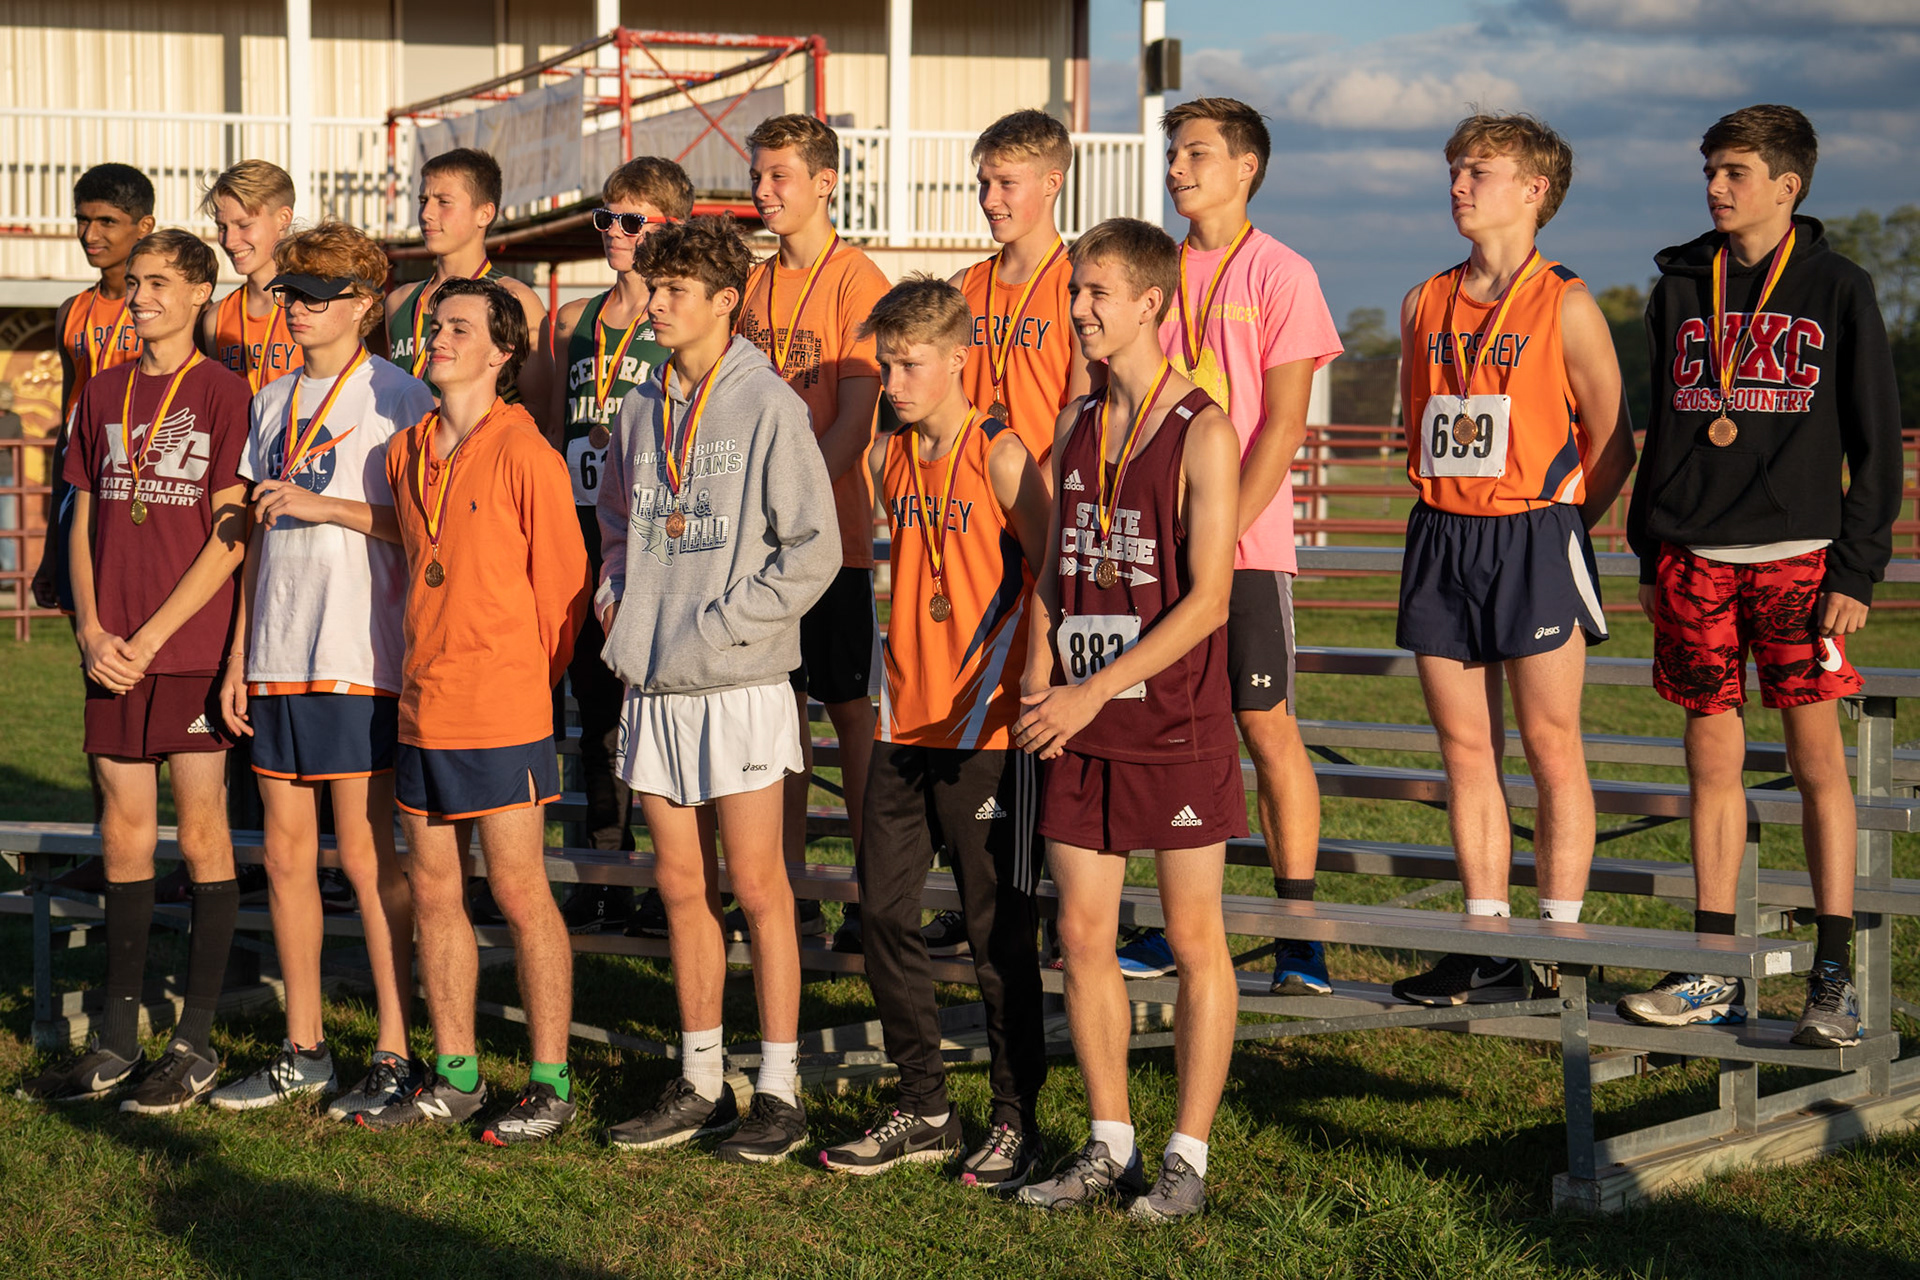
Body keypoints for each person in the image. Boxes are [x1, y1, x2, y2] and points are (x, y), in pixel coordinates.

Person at [1618, 104, 1903, 1048]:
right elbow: (1664, 428)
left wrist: (1857, 567)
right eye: (1710, 169)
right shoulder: (1679, 285)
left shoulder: (1838, 285)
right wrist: (1651, 547)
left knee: (1818, 767)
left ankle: (1831, 979)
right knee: (1710, 765)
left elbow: (1877, 443)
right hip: (1693, 559)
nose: (1715, 186)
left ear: (1788, 185)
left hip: (1801, 563)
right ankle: (1713, 968)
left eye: (1734, 171)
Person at [1012, 218, 1244, 1222]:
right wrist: (1041, 680)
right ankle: (1110, 1140)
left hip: (1174, 723)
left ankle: (1188, 1155)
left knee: (1193, 937)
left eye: (1096, 292)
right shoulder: (1072, 423)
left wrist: (1091, 688)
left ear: (1151, 302)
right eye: (1074, 291)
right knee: (1080, 934)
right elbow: (1052, 574)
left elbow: (1211, 600)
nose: (1078, 309)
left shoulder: (1204, 429)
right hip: (1079, 719)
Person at [595, 216, 838, 1163]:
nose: (653, 305)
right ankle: (701, 1080)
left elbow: (813, 549)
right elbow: (617, 521)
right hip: (656, 680)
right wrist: (618, 599)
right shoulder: (638, 406)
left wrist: (726, 625)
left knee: (761, 888)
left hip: (737, 678)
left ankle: (778, 1089)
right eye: (651, 288)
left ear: (725, 301)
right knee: (682, 886)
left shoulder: (768, 404)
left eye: (673, 292)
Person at [1389, 113, 1633, 1007]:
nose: (1458, 184)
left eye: (1478, 171)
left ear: (1534, 190)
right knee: (1465, 750)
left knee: (1550, 746)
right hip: (1442, 533)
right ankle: (1487, 946)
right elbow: (1420, 420)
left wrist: (1561, 525)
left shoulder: (1566, 303)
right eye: (1455, 169)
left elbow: (1614, 441)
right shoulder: (1423, 301)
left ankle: (1560, 945)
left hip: (1535, 536)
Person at [817, 276, 1052, 1189]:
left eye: (910, 365)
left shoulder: (1003, 454)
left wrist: (1033, 679)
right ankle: (923, 1105)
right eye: (886, 365)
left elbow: (1050, 574)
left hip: (986, 728)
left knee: (999, 937)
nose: (894, 382)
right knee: (882, 912)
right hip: (904, 723)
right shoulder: (890, 454)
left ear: (959, 359)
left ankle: (1015, 1119)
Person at [1114, 97, 1346, 994]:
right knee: (1162, 729)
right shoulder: (1151, 271)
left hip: (1244, 547)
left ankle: (1298, 933)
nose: (1177, 168)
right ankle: (1174, 923)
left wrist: (1217, 532)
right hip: (1152, 545)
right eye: (1174, 153)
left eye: (1197, 153)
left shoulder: (1283, 272)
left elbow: (1283, 425)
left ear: (1246, 166)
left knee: (1265, 726)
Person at [18, 229, 250, 1111]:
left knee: (201, 834)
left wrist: (150, 639)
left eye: (159, 282)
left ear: (199, 293)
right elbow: (79, 518)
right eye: (135, 284)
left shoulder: (227, 392)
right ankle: (116, 1043)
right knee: (122, 830)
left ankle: (194, 1043)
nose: (140, 296)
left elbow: (231, 535)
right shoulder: (102, 389)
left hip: (184, 646)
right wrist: (90, 630)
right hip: (110, 646)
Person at [208, 223, 436, 1117]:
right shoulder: (269, 400)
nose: (293, 308)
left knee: (368, 859)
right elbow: (258, 539)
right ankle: (303, 1048)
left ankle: (395, 1049)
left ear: (363, 305)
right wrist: (240, 655)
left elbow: (421, 527)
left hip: (356, 652)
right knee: (286, 857)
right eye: (288, 293)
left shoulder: (401, 395)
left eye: (313, 295)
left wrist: (326, 505)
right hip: (277, 652)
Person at [357, 276, 587, 1144]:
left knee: (521, 891)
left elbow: (563, 594)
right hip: (424, 702)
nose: (439, 338)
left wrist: (521, 680)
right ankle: (455, 1074)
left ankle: (550, 1083)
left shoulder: (528, 453)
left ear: (502, 352)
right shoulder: (406, 449)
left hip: (503, 709)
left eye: (459, 328)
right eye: (435, 325)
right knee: (434, 890)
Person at [738, 114, 889, 947]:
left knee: (849, 711)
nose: (764, 191)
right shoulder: (752, 284)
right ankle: (786, 889)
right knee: (779, 713)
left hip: (828, 538)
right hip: (759, 544)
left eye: (780, 175)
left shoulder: (856, 280)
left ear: (825, 182)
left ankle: (873, 892)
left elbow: (857, 421)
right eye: (757, 175)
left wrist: (787, 506)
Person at [546, 156, 690, 937]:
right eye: (606, 218)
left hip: (654, 542)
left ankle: (674, 880)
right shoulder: (573, 319)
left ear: (670, 228)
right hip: (580, 539)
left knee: (658, 712)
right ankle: (605, 872)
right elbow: (549, 436)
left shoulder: (679, 321)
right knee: (596, 717)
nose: (614, 232)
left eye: (632, 221)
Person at [32, 164, 153, 617]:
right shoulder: (71, 312)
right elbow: (66, 430)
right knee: (87, 629)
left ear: (144, 226)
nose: (89, 234)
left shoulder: (170, 309)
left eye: (107, 221)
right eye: (82, 220)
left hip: (143, 479)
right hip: (82, 481)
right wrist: (50, 547)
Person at [384, 148, 548, 416]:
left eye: (443, 202)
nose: (426, 214)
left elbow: (540, 411)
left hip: (478, 442)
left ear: (484, 213)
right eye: (423, 200)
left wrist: (453, 418)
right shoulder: (400, 301)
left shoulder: (516, 298)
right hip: (405, 443)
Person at [199, 160, 303, 391]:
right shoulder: (216, 318)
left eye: (244, 225)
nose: (229, 241)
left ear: (283, 218)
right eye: (222, 227)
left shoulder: (318, 305)